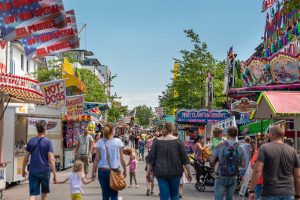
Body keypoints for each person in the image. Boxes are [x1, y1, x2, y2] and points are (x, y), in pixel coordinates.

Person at [248, 125, 300, 200]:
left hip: (269, 192)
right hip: (288, 193)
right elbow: (297, 176)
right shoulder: (292, 151)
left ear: (271, 134)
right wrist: (298, 195)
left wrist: (251, 191)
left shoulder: (264, 148)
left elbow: (257, 170)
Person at [146, 122, 192, 200]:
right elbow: (185, 160)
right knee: (174, 194)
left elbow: (150, 160)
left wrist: (148, 173)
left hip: (161, 172)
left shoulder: (157, 142)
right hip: (176, 172)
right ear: (172, 130)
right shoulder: (178, 141)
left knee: (164, 195)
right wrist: (189, 173)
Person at [22, 121, 57, 200]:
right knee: (44, 195)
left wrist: (23, 169)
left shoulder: (31, 141)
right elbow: (51, 160)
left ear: (37, 129)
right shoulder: (48, 142)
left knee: (32, 195)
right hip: (45, 171)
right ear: (45, 129)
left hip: (33, 171)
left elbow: (26, 158)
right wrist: (55, 174)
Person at [92, 123, 127, 200]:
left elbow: (96, 159)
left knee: (105, 195)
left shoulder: (100, 142)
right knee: (114, 195)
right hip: (114, 171)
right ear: (112, 131)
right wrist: (125, 170)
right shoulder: (118, 141)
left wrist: (93, 172)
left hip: (102, 171)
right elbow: (122, 159)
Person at [211, 126, 246, 200]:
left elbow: (212, 160)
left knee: (218, 197)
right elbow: (243, 165)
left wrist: (215, 166)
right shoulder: (240, 147)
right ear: (236, 135)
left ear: (227, 134)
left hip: (221, 175)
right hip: (233, 176)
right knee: (230, 198)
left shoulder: (219, 145)